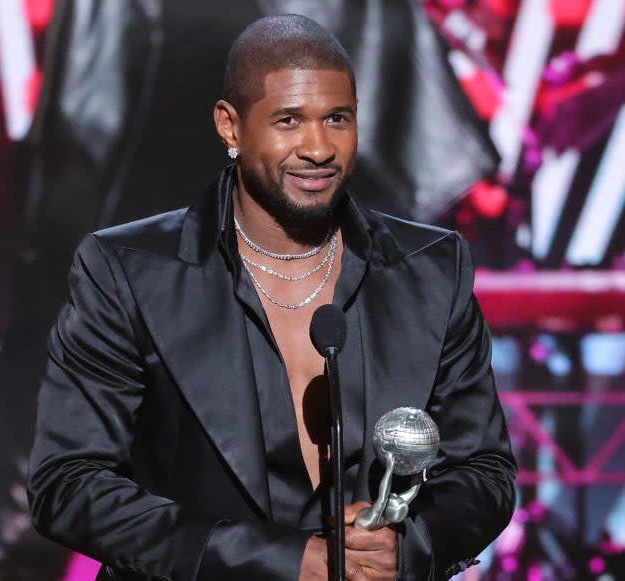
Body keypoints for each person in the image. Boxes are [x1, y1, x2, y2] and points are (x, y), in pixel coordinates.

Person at [27, 14, 516, 581]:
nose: (317, 147)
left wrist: (411, 544)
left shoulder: (430, 269)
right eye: (288, 121)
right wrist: (280, 561)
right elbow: (68, 483)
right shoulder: (129, 271)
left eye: (337, 119)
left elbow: (484, 470)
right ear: (230, 127)